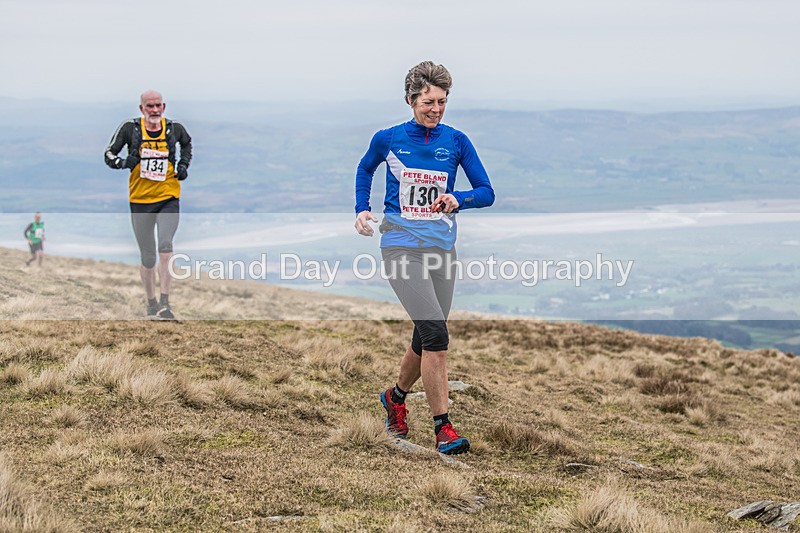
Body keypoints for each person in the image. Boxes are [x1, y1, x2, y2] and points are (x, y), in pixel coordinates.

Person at [354, 61, 495, 454]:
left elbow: (486, 191)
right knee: (436, 334)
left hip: (441, 249)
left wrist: (458, 199)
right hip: (399, 245)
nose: (436, 109)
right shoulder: (389, 139)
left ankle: (395, 398)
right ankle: (443, 428)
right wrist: (361, 209)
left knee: (425, 334)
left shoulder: (456, 141)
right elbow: (365, 169)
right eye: (429, 102)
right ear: (411, 100)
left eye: (443, 102)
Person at [104, 90, 192, 319]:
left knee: (165, 246)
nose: (154, 110)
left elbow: (187, 144)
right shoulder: (130, 129)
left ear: (164, 107)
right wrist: (124, 162)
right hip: (140, 200)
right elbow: (108, 154)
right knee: (148, 258)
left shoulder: (174, 129)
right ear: (141, 108)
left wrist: (183, 166)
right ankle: (151, 301)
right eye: (149, 106)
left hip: (168, 196)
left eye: (158, 106)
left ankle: (165, 302)